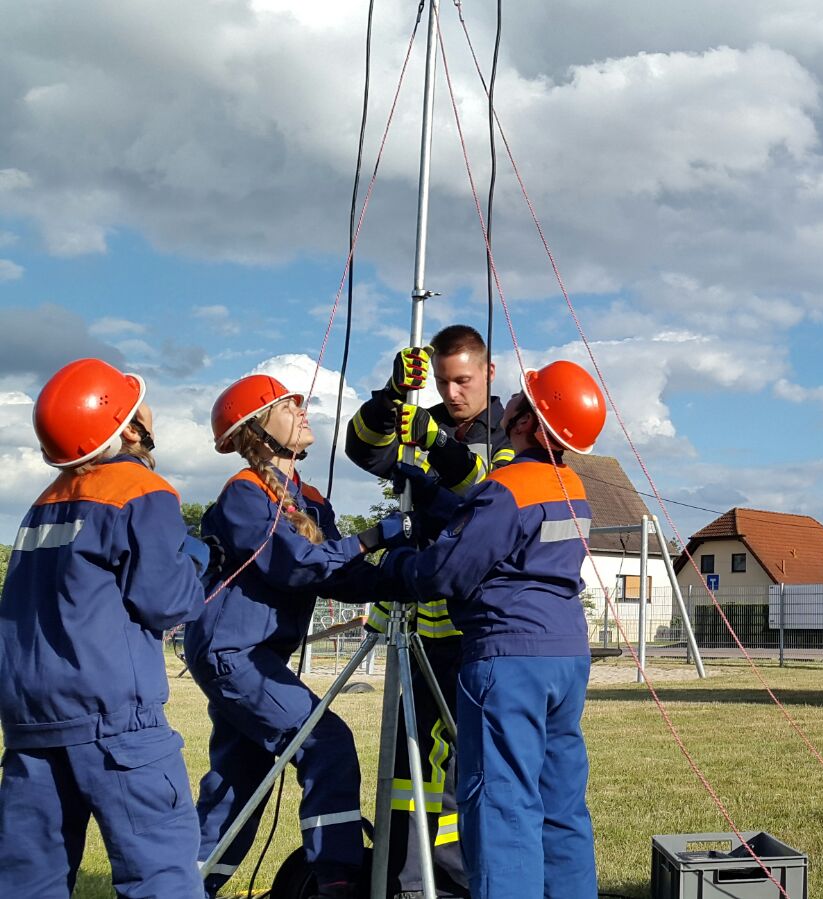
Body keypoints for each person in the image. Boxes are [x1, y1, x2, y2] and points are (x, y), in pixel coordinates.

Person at [382, 360, 605, 898]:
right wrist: (445, 502)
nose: (507, 407)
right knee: (560, 804)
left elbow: (448, 571)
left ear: (528, 422)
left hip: (508, 660)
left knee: (503, 806)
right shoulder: (570, 485)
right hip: (566, 659)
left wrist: (393, 569)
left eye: (519, 401)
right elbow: (512, 541)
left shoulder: (508, 488)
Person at [186, 374, 412, 899]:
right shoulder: (244, 494)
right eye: (287, 406)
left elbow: (341, 575)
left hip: (256, 657)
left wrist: (406, 572)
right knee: (325, 741)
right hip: (231, 653)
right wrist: (377, 534)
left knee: (236, 785)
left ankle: (186, 886)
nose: (303, 409)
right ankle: (336, 881)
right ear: (258, 432)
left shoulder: (309, 498)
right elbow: (296, 565)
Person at [0, 358, 211, 898]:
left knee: (28, 883)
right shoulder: (141, 491)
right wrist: (193, 554)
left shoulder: (41, 504)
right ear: (129, 425)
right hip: (115, 726)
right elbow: (167, 604)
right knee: (160, 874)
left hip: (31, 728)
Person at [345, 324, 511, 898]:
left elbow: (492, 500)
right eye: (443, 381)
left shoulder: (505, 431)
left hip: (473, 624)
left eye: (463, 380)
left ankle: (460, 878)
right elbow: (364, 450)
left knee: (464, 764)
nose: (452, 391)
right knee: (406, 767)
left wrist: (442, 450)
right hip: (411, 623)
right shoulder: (421, 417)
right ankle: (406, 877)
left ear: (489, 373)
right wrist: (392, 396)